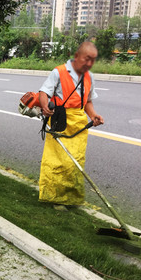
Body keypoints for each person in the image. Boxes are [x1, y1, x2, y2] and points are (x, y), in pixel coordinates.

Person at [38, 41, 104, 207]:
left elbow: (87, 101)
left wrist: (94, 116)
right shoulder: (58, 72)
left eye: (93, 60)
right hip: (60, 120)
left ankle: (71, 199)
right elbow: (44, 92)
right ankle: (54, 197)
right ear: (77, 57)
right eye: (86, 59)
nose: (89, 63)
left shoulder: (89, 77)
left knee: (75, 162)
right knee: (58, 162)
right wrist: (45, 106)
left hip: (79, 124)